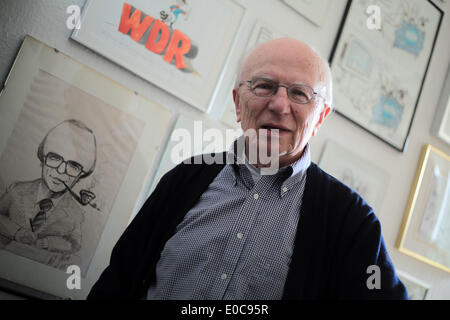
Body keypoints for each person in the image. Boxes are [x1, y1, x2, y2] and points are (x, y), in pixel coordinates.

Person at [88, 38, 408, 299]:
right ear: (237, 103)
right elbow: (116, 283)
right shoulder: (183, 179)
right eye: (264, 86)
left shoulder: (352, 221)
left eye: (299, 93)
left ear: (320, 118)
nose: (279, 105)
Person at [0, 119, 96, 269]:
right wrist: (17, 232)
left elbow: (75, 244)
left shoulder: (75, 213)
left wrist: (46, 243)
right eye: (55, 158)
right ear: (43, 158)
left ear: (79, 177)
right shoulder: (17, 190)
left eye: (73, 166)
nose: (60, 170)